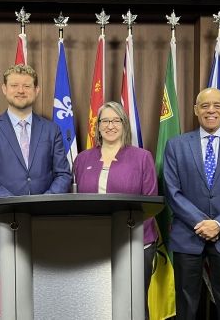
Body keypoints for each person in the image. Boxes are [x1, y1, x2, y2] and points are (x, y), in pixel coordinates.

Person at [163, 87, 220, 320]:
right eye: (204, 106)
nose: (211, 110)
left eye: (217, 105)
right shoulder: (176, 145)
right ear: (196, 110)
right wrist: (202, 223)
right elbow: (173, 192)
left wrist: (219, 224)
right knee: (186, 302)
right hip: (188, 235)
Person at [72, 101, 158, 317]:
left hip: (136, 244)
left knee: (134, 304)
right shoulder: (83, 159)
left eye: (116, 120)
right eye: (105, 121)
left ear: (124, 124)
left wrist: (128, 236)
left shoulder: (142, 157)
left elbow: (150, 203)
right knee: (96, 303)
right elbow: (75, 202)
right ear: (98, 125)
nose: (110, 125)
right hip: (92, 244)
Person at [0, 63, 72, 245]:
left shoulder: (51, 130)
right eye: (14, 85)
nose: (21, 90)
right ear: (4, 89)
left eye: (27, 86)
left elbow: (63, 174)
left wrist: (42, 204)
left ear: (36, 90)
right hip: (4, 224)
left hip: (46, 224)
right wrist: (16, 206)